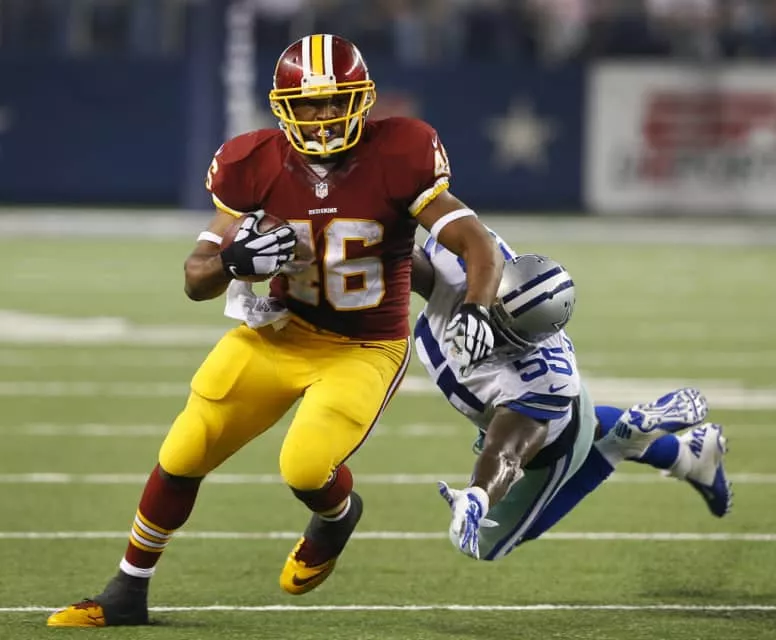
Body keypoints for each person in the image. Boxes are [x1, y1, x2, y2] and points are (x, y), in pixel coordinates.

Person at [46, 33, 503, 627]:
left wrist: (476, 308)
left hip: (364, 347)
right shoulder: (253, 161)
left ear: (362, 101)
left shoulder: (402, 152)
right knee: (184, 449)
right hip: (281, 331)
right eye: (309, 104)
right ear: (283, 108)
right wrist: (234, 261)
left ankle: (337, 516)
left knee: (306, 467)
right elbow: (196, 278)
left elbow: (477, 244)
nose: (323, 116)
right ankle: (128, 589)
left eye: (336, 100)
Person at [411, 232, 732, 560]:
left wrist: (477, 498)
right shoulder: (474, 257)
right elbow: (406, 254)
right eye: (492, 310)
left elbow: (506, 453)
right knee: (589, 423)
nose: (488, 329)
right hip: (562, 408)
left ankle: (619, 446)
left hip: (553, 444)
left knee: (484, 543)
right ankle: (688, 454)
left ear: (526, 340)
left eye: (500, 330)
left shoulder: (536, 385)